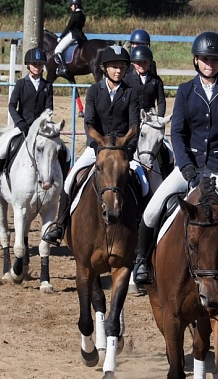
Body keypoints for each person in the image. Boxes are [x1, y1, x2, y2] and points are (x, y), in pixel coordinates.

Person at [132, 31, 218, 289]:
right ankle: (141, 260)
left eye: (215, 59)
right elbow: (178, 132)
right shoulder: (186, 90)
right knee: (152, 210)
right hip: (189, 167)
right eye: (205, 59)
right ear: (196, 60)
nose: (210, 64)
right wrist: (185, 165)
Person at [42, 45, 142, 246]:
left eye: (122, 67)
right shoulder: (95, 90)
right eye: (114, 67)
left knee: (144, 184)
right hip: (97, 147)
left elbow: (134, 125)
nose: (118, 71)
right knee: (70, 180)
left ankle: (143, 232)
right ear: (105, 68)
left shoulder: (131, 93)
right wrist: (98, 147)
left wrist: (128, 150)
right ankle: (60, 225)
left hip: (122, 150)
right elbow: (89, 123)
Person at [0, 47, 67, 188]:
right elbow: (12, 106)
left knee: (64, 150)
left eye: (40, 64)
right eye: (34, 64)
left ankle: (64, 178)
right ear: (28, 65)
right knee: (4, 147)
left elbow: (49, 108)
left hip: (42, 129)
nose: (37, 67)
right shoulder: (21, 84)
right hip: (23, 126)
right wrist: (19, 122)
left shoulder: (47, 85)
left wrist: (46, 122)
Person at [124, 45, 166, 117]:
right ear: (133, 62)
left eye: (145, 62)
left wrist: (160, 116)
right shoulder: (126, 79)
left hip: (150, 115)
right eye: (139, 62)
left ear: (150, 62)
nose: (142, 65)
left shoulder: (156, 80)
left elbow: (161, 100)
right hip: (131, 116)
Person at [53, 0, 86, 77]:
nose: (71, 7)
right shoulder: (83, 15)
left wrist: (61, 37)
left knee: (57, 50)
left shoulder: (75, 15)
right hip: (81, 36)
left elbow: (68, 27)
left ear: (76, 6)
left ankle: (63, 68)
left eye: (72, 5)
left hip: (73, 35)